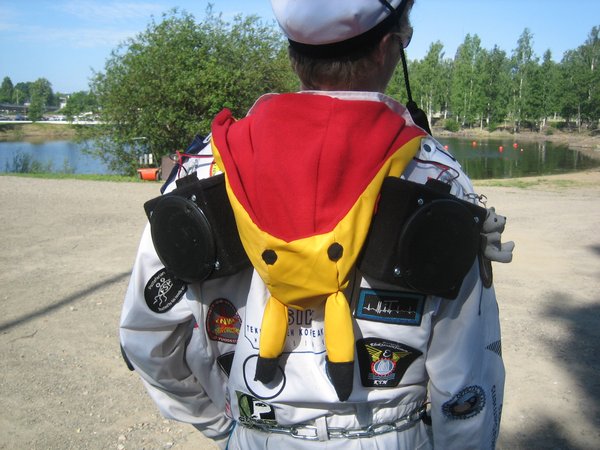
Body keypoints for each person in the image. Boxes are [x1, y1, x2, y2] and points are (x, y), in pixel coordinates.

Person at [119, 0, 514, 448]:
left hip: (255, 435)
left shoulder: (206, 167)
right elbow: (467, 375)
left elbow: (147, 337)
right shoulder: (437, 179)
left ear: (294, 56)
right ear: (387, 47)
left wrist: (224, 423)